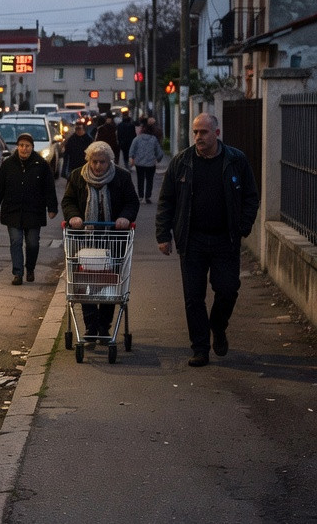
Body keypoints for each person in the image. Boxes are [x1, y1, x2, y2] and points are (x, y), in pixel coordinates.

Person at [156, 113, 259, 368]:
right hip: (193, 240)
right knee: (193, 297)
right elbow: (167, 200)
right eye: (195, 132)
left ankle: (218, 326)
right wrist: (163, 235)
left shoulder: (235, 160)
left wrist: (244, 226)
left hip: (226, 239)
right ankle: (200, 348)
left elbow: (250, 196)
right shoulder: (182, 162)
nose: (198, 137)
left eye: (203, 132)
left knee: (227, 289)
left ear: (217, 133)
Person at [62, 141, 139, 342]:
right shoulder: (77, 176)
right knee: (85, 283)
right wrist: (73, 217)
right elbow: (68, 201)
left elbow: (132, 202)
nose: (98, 166)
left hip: (112, 239)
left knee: (109, 286)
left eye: (102, 162)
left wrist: (124, 218)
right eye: (94, 161)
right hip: (85, 241)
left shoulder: (121, 177)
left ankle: (104, 327)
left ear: (109, 161)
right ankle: (90, 326)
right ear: (88, 160)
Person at [0, 132, 58, 285]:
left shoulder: (41, 164)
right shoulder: (8, 164)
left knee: (33, 243)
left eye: (27, 146)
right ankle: (18, 273)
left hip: (34, 211)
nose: (24, 149)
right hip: (13, 210)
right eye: (21, 146)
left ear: (32, 147)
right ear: (17, 147)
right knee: (16, 241)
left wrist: (52, 207)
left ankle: (30, 268)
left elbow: (49, 188)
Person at [129, 123, 165, 203]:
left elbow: (132, 149)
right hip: (151, 163)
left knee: (140, 180)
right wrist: (158, 159)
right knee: (150, 180)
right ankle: (148, 196)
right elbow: (159, 153)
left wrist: (132, 158)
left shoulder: (137, 139)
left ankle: (141, 196)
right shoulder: (154, 139)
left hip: (139, 163)